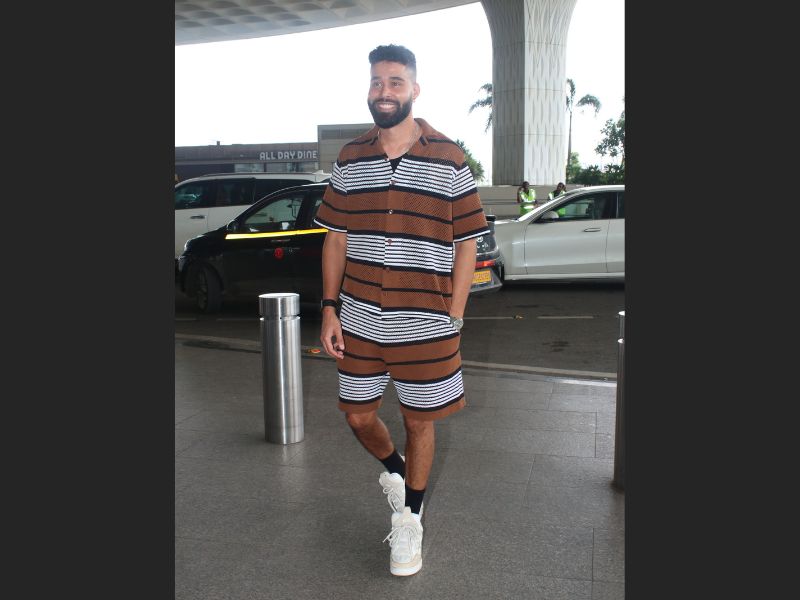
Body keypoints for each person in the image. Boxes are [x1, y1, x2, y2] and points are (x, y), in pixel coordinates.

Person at [314, 44, 489, 577]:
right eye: (376, 82)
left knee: (419, 422)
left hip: (426, 321)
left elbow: (467, 243)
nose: (384, 91)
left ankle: (411, 518)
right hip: (360, 318)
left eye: (394, 82)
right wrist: (329, 309)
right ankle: (395, 470)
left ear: (415, 89)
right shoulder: (350, 158)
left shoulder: (450, 157)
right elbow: (336, 239)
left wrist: (454, 314)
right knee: (358, 416)